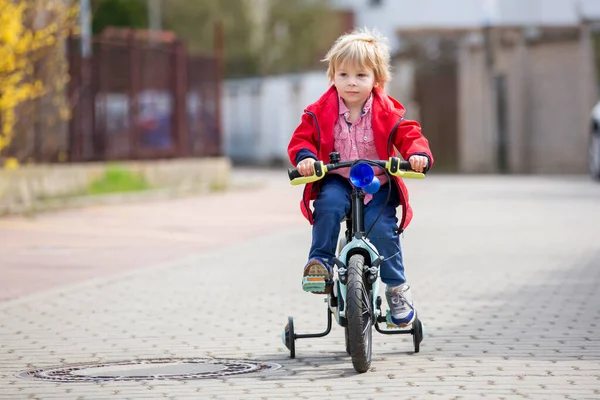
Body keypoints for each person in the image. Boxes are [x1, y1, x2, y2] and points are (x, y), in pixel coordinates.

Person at [287, 28, 433, 327]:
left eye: (361, 75)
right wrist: (306, 158)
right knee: (327, 206)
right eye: (343, 75)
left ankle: (396, 289)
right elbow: (303, 140)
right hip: (337, 178)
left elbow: (410, 135)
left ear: (377, 80)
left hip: (376, 181)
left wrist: (417, 155)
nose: (351, 82)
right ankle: (321, 265)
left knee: (382, 229)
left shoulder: (388, 112)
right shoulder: (318, 111)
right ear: (333, 76)